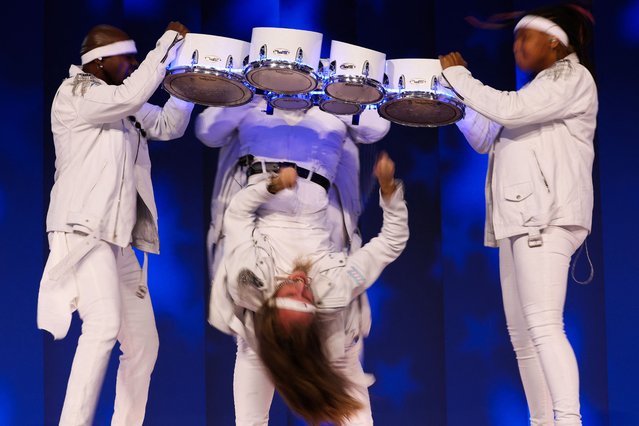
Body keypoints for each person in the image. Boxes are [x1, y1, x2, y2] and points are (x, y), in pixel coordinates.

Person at [439, 4, 596, 425]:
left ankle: (568, 420)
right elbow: (483, 134)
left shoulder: (572, 78)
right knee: (522, 337)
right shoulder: (534, 93)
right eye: (515, 38)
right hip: (517, 218)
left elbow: (506, 111)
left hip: (545, 217)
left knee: (544, 325)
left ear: (554, 41)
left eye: (525, 36)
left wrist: (460, 77)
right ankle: (542, 420)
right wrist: (449, 95)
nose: (517, 46)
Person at [37, 22, 193, 425]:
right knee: (103, 325)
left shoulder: (121, 102)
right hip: (82, 231)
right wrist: (166, 46)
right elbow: (131, 95)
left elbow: (167, 125)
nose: (133, 63)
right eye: (126, 57)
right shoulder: (77, 93)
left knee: (143, 343)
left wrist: (191, 85)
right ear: (100, 61)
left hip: (117, 239)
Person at [213, 152, 408, 425]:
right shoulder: (335, 289)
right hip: (282, 346)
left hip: (306, 342)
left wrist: (272, 186)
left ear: (270, 301)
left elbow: (237, 213)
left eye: (292, 291)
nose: (301, 284)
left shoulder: (249, 278)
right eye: (307, 297)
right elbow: (391, 241)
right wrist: (388, 190)